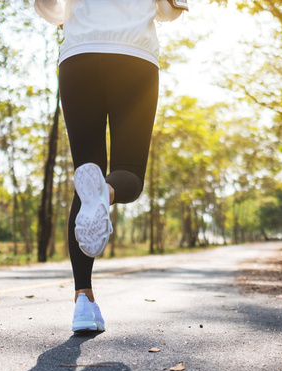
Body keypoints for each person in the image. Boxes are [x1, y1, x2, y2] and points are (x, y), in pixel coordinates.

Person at [34, 0, 185, 333]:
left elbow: (47, 7)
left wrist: (68, 17)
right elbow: (171, 10)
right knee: (129, 173)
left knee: (86, 172)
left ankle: (83, 305)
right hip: (134, 58)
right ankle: (107, 191)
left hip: (79, 57)